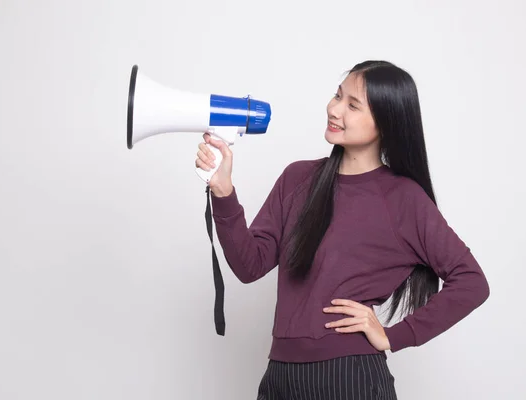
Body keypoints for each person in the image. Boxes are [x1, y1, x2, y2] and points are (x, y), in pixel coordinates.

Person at [195, 60, 490, 399]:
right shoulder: (298, 178)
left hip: (350, 377)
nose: (334, 110)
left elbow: (472, 282)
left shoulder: (403, 199)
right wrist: (223, 191)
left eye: (352, 105)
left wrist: (394, 336)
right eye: (337, 96)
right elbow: (249, 266)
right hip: (280, 374)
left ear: (385, 122)